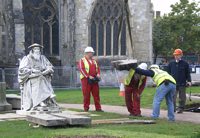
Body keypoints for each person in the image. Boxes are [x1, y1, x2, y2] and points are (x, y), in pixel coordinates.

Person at [18, 43, 57, 111]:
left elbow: (49, 66)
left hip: (42, 76)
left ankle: (44, 99)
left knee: (41, 78)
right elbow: (22, 69)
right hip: (30, 79)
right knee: (40, 79)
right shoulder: (27, 58)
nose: (37, 50)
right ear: (32, 50)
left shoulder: (43, 58)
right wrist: (32, 70)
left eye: (38, 49)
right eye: (36, 49)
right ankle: (43, 98)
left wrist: (47, 70)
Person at [167, 49, 192, 113]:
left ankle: (181, 109)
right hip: (173, 84)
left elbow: (187, 73)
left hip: (182, 83)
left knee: (182, 97)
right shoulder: (171, 63)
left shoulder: (185, 63)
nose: (176, 56)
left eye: (177, 55)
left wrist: (189, 81)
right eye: (175, 55)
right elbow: (168, 73)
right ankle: (173, 109)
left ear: (181, 55)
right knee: (173, 97)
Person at [79, 46, 103, 112]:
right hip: (86, 80)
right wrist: (88, 76)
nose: (92, 54)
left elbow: (97, 68)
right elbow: (81, 69)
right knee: (86, 95)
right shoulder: (82, 60)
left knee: (96, 94)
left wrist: (98, 74)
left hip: (94, 79)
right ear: (87, 53)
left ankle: (98, 108)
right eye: (91, 53)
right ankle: (86, 108)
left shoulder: (94, 61)